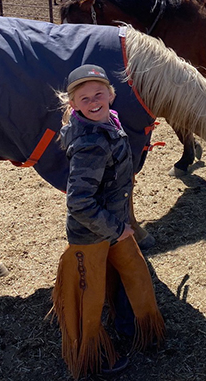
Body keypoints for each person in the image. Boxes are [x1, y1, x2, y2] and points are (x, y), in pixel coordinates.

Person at [51, 64, 165, 379]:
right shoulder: (90, 143)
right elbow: (79, 203)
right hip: (93, 233)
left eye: (99, 93)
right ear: (73, 104)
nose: (94, 101)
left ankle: (135, 329)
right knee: (90, 296)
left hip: (112, 224)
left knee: (134, 273)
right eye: (84, 97)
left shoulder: (108, 122)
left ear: (111, 96)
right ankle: (91, 353)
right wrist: (117, 229)